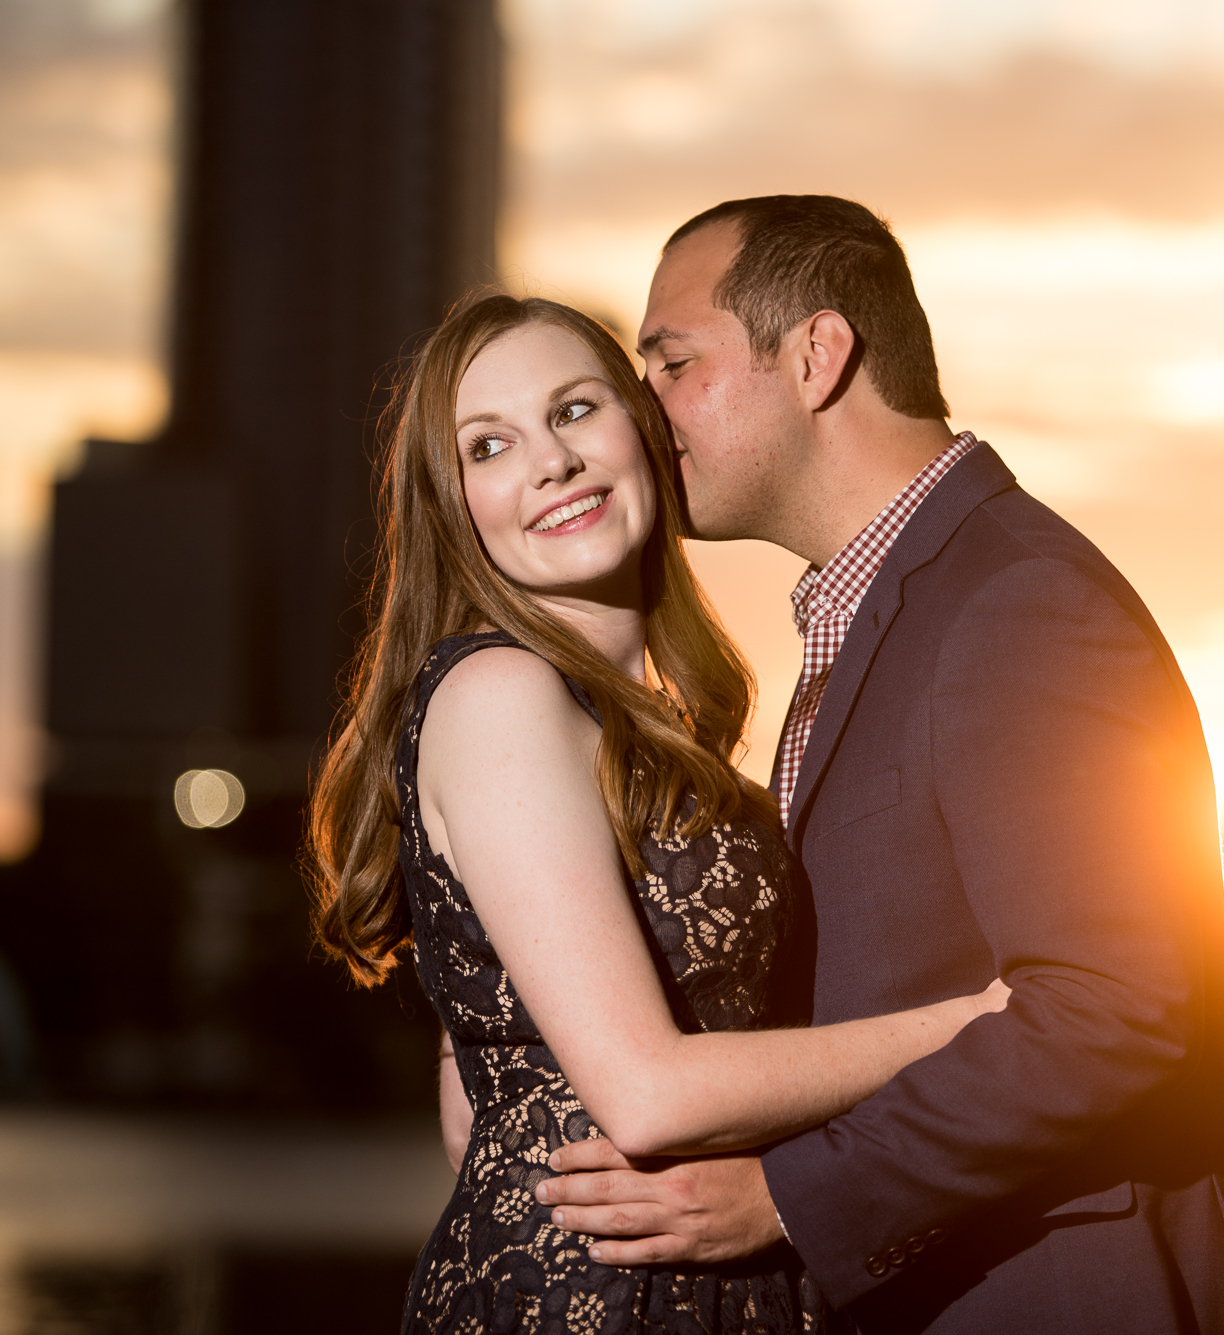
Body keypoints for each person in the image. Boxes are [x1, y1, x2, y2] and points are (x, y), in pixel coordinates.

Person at [536, 196, 1224, 1333]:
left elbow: (1111, 1004)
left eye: (672, 362)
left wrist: (786, 1201)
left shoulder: (1015, 602)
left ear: (815, 354)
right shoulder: (883, 610)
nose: (639, 416)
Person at [305, 294, 1008, 1334]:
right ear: (452, 507)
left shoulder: (634, 722)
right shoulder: (501, 694)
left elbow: (471, 1102)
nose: (550, 461)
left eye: (576, 410)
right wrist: (979, 1019)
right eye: (489, 445)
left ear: (645, 429)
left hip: (689, 1276)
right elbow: (643, 1094)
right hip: (596, 1300)